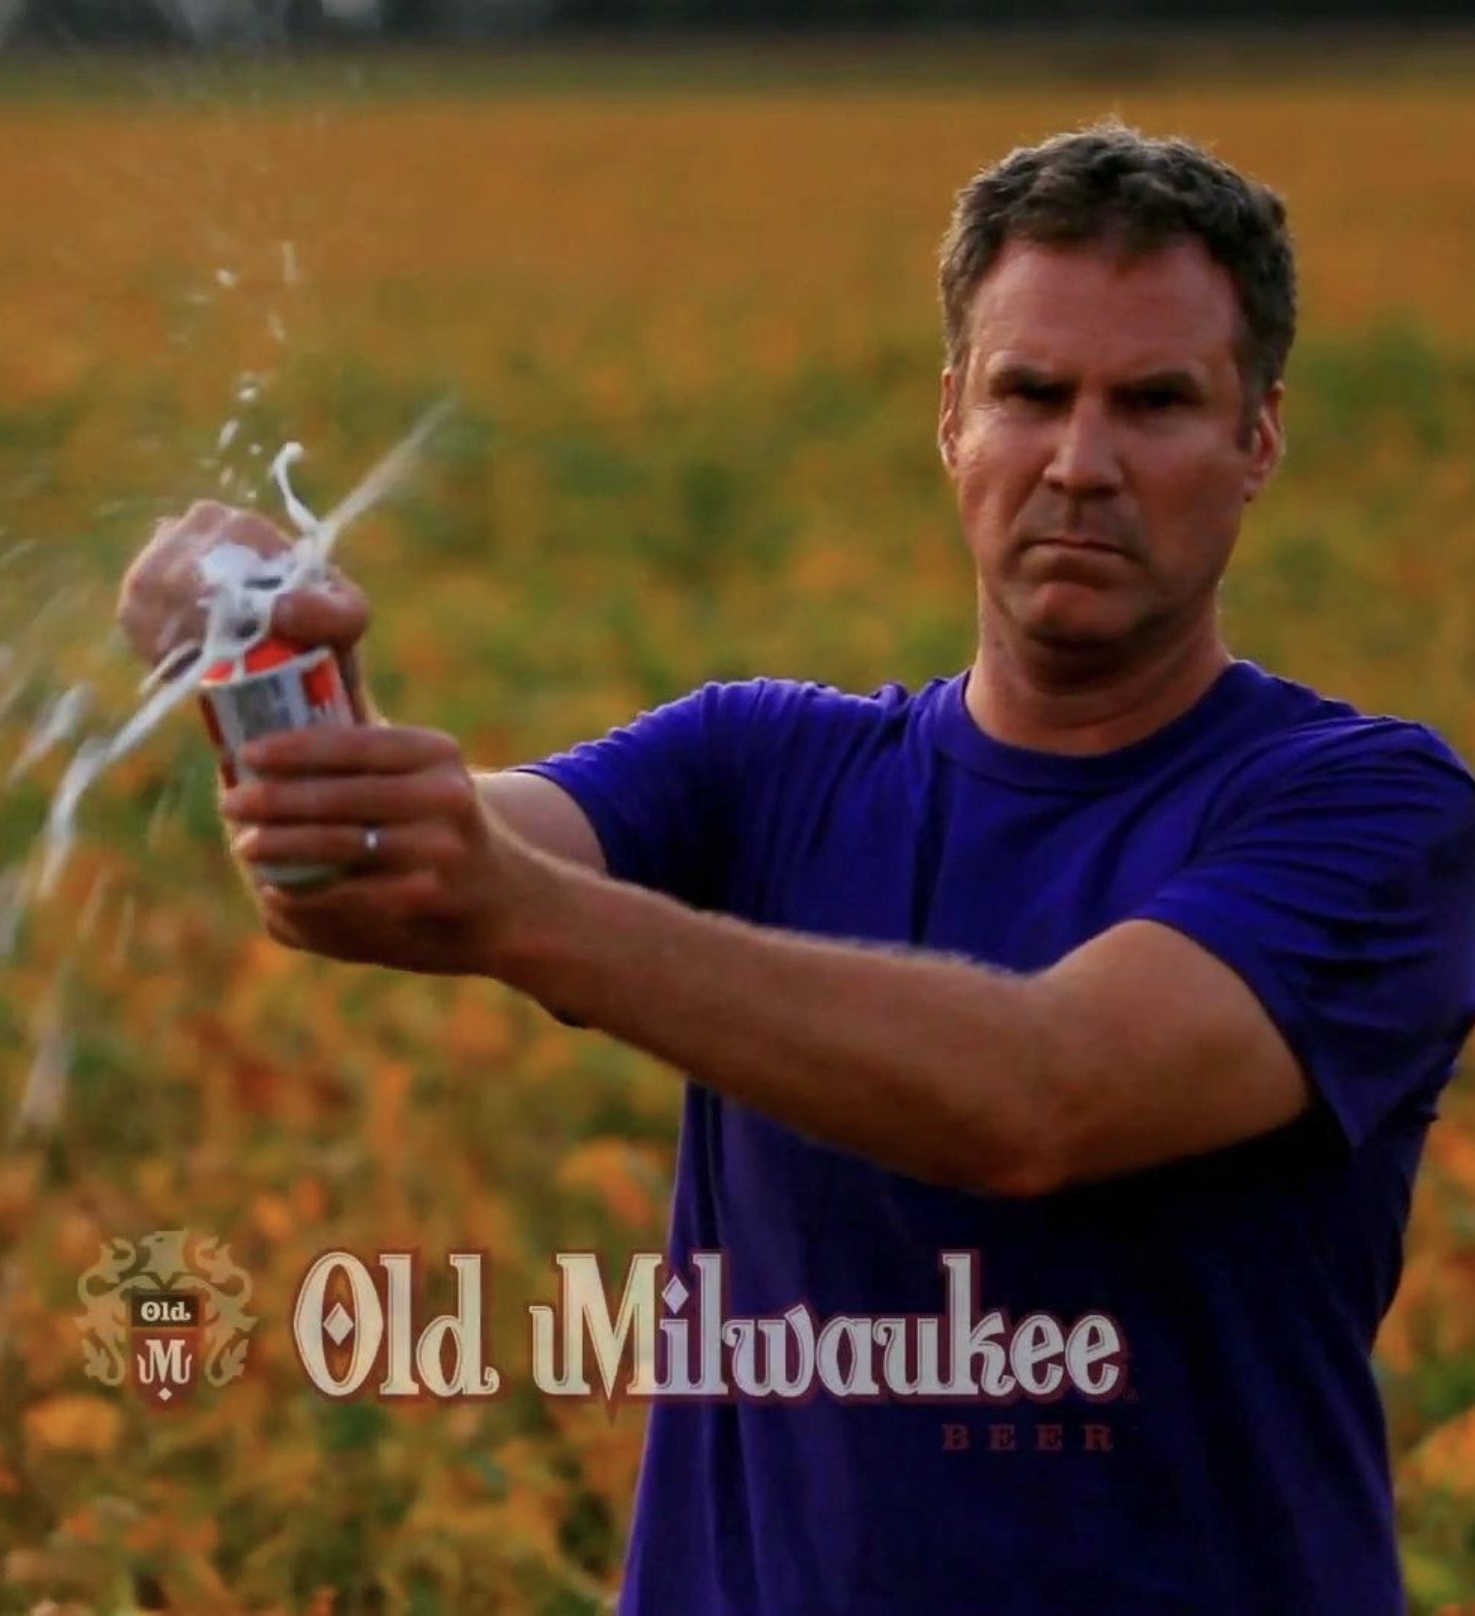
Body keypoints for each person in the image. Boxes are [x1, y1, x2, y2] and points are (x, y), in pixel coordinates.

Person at [117, 121, 1475, 1615]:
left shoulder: (1374, 815)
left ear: (1258, 439)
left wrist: (524, 909)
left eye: (1155, 403)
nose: (1081, 463)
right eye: (1031, 393)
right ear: (953, 416)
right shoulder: (755, 764)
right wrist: (264, 672)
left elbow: (1046, 1096)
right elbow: (378, 878)